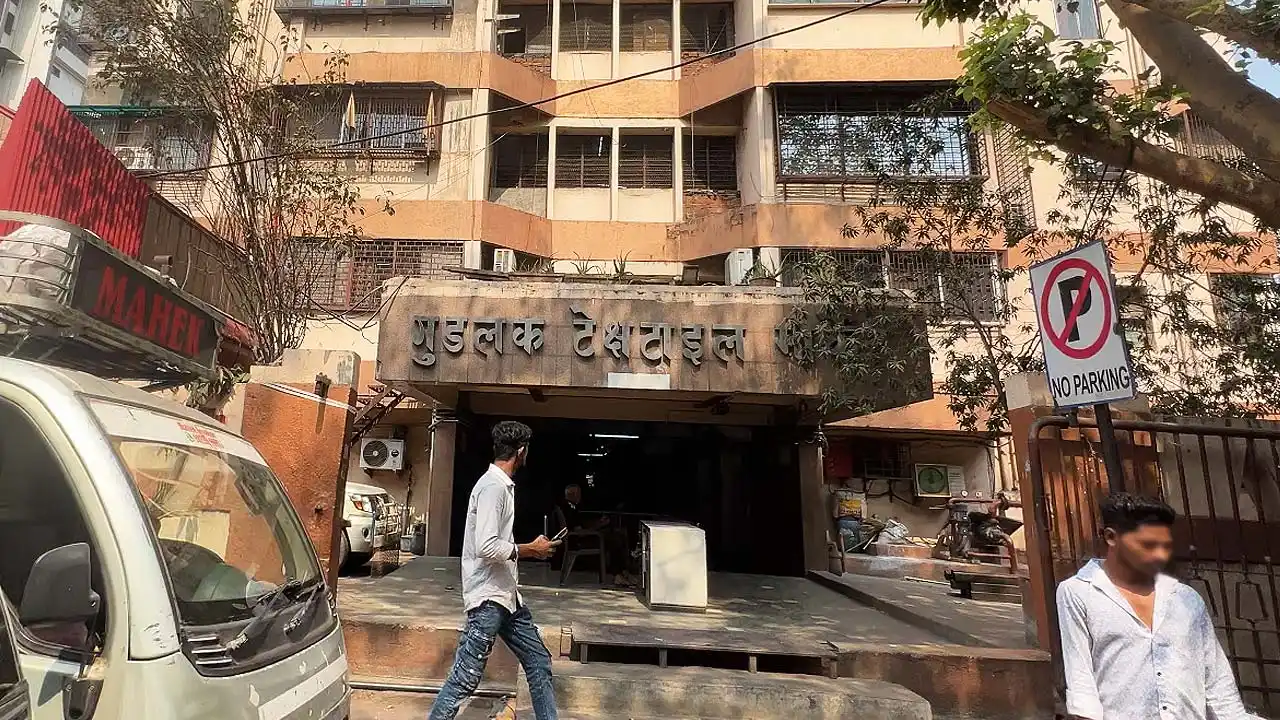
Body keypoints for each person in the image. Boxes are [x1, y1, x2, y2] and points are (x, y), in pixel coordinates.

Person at [1057, 492, 1256, 720]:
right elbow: (1082, 686)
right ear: (1111, 537)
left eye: (1165, 546)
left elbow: (1217, 682)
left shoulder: (1186, 599)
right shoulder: (1078, 592)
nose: (1160, 555)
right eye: (1148, 545)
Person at [428, 421, 560, 720]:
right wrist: (529, 549)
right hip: (489, 600)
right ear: (522, 452)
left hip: (507, 598)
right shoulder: (492, 488)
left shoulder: (500, 486)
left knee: (539, 663)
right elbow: (486, 547)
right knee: (465, 678)